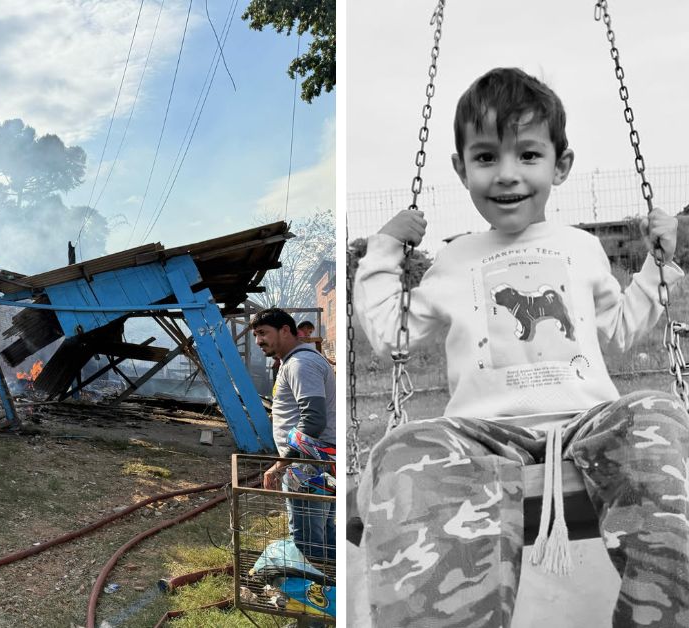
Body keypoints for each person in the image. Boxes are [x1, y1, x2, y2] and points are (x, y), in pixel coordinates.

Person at [353, 67, 689, 627]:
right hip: (482, 436)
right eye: (486, 158)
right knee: (407, 446)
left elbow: (620, 329)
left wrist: (661, 264)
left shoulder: (581, 248)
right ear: (462, 169)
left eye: (528, 155)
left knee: (658, 412)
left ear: (561, 164)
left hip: (590, 421)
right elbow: (390, 334)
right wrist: (385, 248)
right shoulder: (455, 259)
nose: (507, 175)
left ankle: (660, 611)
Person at [252, 308, 337, 562]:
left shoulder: (301, 363)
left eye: (263, 333)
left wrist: (280, 465)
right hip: (318, 460)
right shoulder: (296, 361)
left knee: (308, 542)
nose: (259, 341)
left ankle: (318, 595)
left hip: (309, 463)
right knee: (325, 534)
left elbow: (313, 420)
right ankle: (334, 588)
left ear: (286, 330)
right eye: (256, 335)